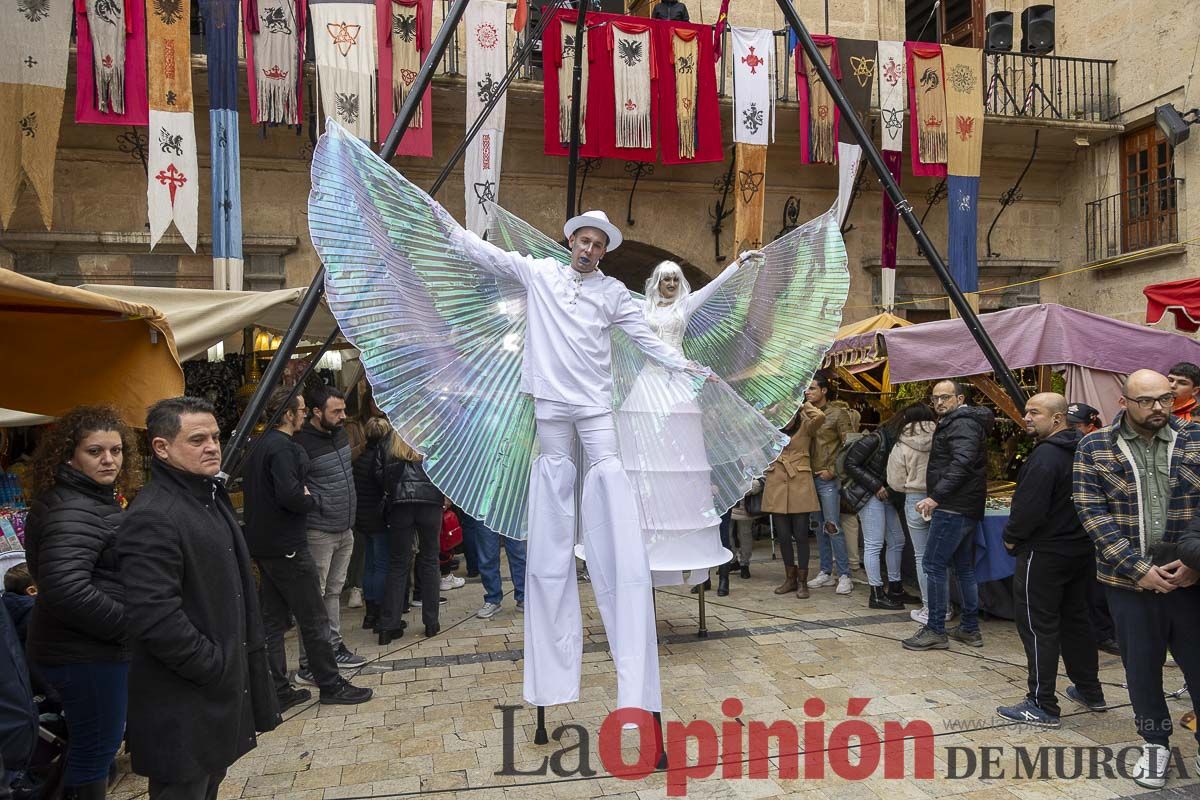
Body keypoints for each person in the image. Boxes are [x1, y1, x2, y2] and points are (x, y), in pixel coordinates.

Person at [453, 209, 716, 714]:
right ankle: (554, 579)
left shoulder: (614, 293)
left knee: (609, 475)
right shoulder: (542, 273)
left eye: (599, 244)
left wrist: (687, 366)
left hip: (594, 404)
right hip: (550, 403)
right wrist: (446, 226)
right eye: (585, 240)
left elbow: (645, 338)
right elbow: (487, 256)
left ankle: (617, 559)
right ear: (571, 240)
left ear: (603, 250)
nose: (590, 249)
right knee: (552, 494)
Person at [118, 397, 280, 800]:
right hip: (182, 700)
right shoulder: (154, 514)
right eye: (197, 439)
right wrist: (214, 664)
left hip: (213, 694)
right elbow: (155, 616)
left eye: (214, 437)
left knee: (209, 782)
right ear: (161, 447)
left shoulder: (206, 496)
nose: (212, 446)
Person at [1074, 369, 1200, 790]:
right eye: (1147, 401)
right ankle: (1154, 743)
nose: (1159, 407)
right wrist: (1136, 568)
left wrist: (1197, 563)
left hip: (1191, 579)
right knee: (1141, 668)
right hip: (1128, 582)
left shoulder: (1195, 440)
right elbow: (1092, 513)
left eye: (1165, 398)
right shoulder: (1094, 446)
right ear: (1124, 401)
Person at [22, 406, 138, 800]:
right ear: (70, 455)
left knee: (90, 747)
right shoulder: (73, 507)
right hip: (85, 654)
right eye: (96, 451)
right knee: (95, 750)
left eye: (116, 450)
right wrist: (129, 624)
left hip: (84, 649)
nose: (109, 460)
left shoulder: (87, 498)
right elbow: (66, 589)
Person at [241, 388, 373, 709]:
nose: (303, 414)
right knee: (313, 615)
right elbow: (291, 496)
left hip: (266, 544)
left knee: (273, 620)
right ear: (288, 414)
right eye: (299, 410)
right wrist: (310, 499)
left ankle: (277, 689)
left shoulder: (259, 445)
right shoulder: (284, 448)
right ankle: (329, 682)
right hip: (287, 544)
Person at [626, 259, 752, 590]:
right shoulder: (641, 308)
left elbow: (713, 290)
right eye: (665, 278)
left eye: (674, 278)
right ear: (656, 281)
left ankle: (685, 535)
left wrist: (737, 264)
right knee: (645, 457)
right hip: (650, 382)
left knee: (682, 455)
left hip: (678, 382)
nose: (669, 283)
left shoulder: (685, 305)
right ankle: (645, 532)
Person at [995, 393, 1106, 728]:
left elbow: (1029, 509)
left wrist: (1011, 537)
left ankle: (1042, 703)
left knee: (1038, 627)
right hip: (1078, 551)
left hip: (1044, 554)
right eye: (1026, 411)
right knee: (1076, 622)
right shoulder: (1085, 450)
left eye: (1035, 412)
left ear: (1057, 419)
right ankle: (1090, 691)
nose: (1027, 417)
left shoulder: (1045, 457)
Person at [903, 379, 993, 651]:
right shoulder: (960, 421)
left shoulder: (962, 422)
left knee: (933, 564)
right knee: (963, 567)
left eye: (945, 397)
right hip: (962, 505)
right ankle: (969, 628)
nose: (939, 402)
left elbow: (962, 462)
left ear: (960, 399)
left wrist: (935, 497)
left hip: (954, 507)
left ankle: (935, 629)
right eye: (935, 398)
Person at [293, 385, 367, 669]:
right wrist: (316, 505)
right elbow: (295, 486)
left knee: (334, 592)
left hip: (345, 527)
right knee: (314, 597)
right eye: (336, 411)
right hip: (319, 530)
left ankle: (334, 647)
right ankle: (309, 659)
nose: (343, 415)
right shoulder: (301, 444)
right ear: (315, 412)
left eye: (343, 409)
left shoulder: (340, 434)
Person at [372, 424, 446, 642]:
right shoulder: (433, 438)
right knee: (430, 560)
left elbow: (377, 473)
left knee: (398, 564)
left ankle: (388, 625)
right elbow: (445, 471)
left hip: (400, 505)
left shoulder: (388, 440)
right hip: (430, 503)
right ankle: (431, 622)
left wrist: (392, 488)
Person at [843, 410, 914, 611]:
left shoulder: (895, 442)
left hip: (885, 495)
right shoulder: (876, 439)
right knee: (874, 544)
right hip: (869, 495)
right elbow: (850, 463)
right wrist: (876, 486)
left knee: (897, 540)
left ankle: (895, 587)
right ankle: (876, 594)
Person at [886, 403, 943, 624]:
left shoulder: (902, 443)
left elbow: (895, 481)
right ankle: (944, 606)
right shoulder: (942, 437)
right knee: (941, 557)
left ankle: (929, 608)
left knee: (922, 556)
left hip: (914, 499)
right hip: (941, 498)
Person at [762, 403, 825, 599]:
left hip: (800, 481)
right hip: (777, 481)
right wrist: (769, 411)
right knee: (782, 535)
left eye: (790, 413)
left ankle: (803, 581)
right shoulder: (771, 426)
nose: (786, 417)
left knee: (801, 535)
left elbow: (821, 417)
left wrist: (803, 404)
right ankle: (790, 578)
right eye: (783, 413)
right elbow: (751, 424)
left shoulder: (807, 424)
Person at [806, 373, 854, 594]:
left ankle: (844, 574)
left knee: (832, 525)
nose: (808, 392)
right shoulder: (804, 413)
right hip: (807, 477)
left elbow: (849, 445)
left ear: (824, 390)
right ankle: (825, 571)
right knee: (817, 526)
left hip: (827, 478)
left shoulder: (837, 413)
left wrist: (834, 471)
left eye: (813, 388)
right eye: (807, 389)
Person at [352, 416, 391, 632]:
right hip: (378, 518)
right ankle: (379, 610)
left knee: (369, 565)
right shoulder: (380, 459)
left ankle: (369, 613)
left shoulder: (359, 458)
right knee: (382, 564)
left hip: (363, 518)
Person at [468, 512, 527, 618]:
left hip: (513, 507)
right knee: (487, 557)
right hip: (485, 506)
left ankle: (523, 596)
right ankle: (493, 598)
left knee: (518, 555)